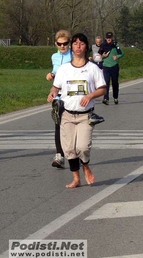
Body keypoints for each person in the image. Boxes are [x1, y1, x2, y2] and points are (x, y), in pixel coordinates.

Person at [47, 33, 106, 188]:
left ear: (86, 46)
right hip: (67, 114)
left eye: (81, 43)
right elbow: (56, 86)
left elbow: (103, 89)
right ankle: (76, 178)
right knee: (68, 149)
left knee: (83, 147)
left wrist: (91, 95)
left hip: (85, 115)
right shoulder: (64, 69)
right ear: (72, 47)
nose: (78, 46)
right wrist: (52, 92)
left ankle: (85, 166)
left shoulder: (92, 69)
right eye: (75, 43)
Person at [46, 30, 73, 169]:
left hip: (72, 95)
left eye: (65, 44)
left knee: (71, 125)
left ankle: (75, 153)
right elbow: (56, 71)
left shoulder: (74, 56)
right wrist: (51, 75)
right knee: (58, 124)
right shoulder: (54, 57)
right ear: (56, 44)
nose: (62, 46)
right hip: (58, 95)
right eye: (59, 44)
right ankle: (59, 155)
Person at [100, 32, 124, 105]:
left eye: (110, 38)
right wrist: (104, 55)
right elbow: (100, 55)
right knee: (106, 83)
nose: (109, 39)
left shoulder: (116, 45)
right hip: (106, 66)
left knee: (115, 83)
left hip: (114, 66)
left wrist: (117, 56)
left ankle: (115, 97)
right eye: (107, 38)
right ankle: (106, 98)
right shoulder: (103, 45)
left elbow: (122, 53)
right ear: (105, 38)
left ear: (112, 38)